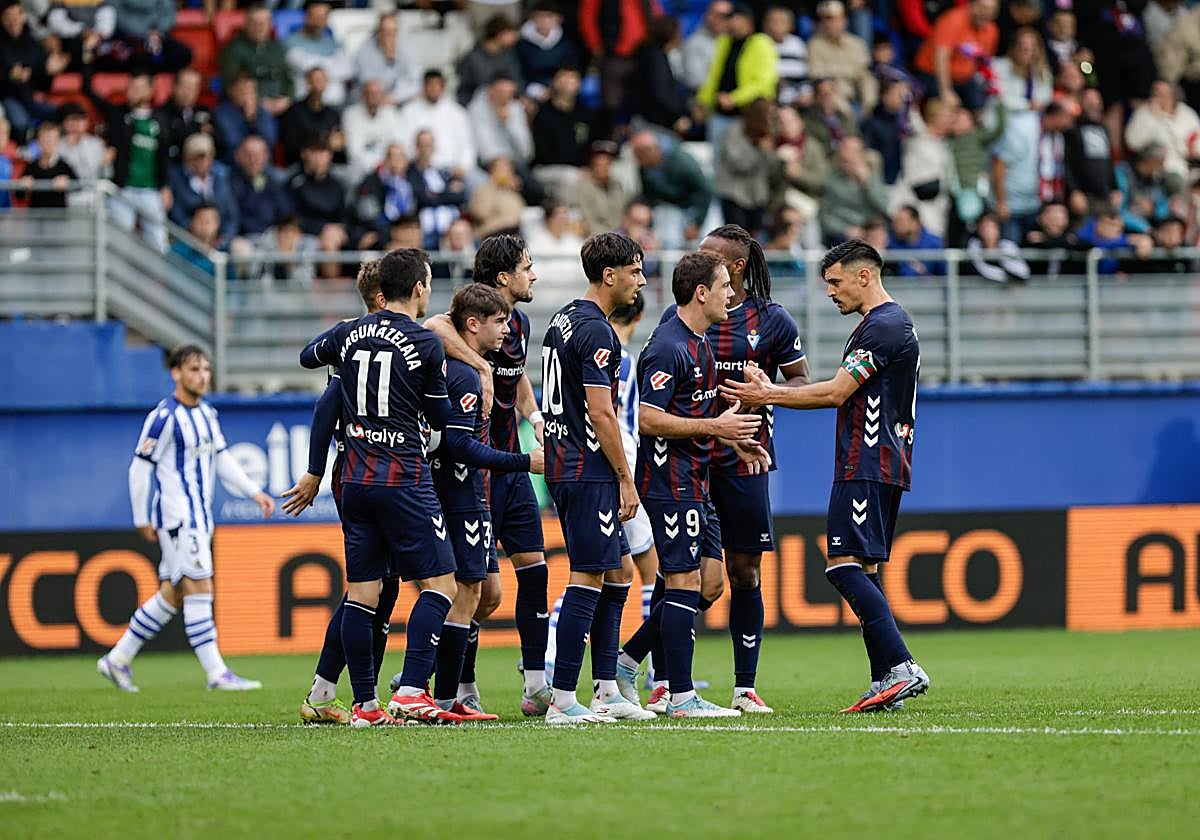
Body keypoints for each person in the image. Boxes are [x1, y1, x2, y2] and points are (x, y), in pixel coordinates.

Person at [720, 239, 931, 714]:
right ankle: (884, 680)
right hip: (884, 461)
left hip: (867, 460)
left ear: (864, 275)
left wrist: (768, 394)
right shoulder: (888, 324)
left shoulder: (884, 326)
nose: (830, 292)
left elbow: (836, 392)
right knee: (866, 569)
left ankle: (901, 665)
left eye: (835, 282)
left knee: (841, 565)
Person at [299, 248, 460, 727]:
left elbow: (308, 357)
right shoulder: (426, 342)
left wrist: (348, 337)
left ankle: (366, 705)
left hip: (354, 478)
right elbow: (440, 416)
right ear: (418, 289)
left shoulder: (348, 333)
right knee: (442, 586)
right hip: (404, 478)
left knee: (362, 594)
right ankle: (410, 691)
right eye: (428, 284)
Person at [656, 223, 809, 714]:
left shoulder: (772, 320)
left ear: (737, 267)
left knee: (744, 572)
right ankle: (661, 678)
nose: (699, 258)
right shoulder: (680, 317)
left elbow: (800, 380)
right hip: (691, 461)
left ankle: (745, 686)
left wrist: (768, 390)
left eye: (712, 255)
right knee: (681, 572)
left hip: (746, 458)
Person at [609, 251, 764, 719]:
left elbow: (698, 411)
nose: (731, 295)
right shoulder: (668, 346)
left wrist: (733, 439)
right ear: (701, 293)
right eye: (724, 287)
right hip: (668, 480)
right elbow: (648, 418)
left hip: (697, 477)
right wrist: (716, 428)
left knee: (709, 583)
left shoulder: (700, 343)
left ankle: (628, 660)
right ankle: (679, 695)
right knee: (682, 580)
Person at [422, 234, 556, 717]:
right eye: (526, 266)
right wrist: (479, 365)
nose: (533, 274)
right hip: (474, 470)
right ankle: (454, 681)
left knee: (535, 569)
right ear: (503, 277)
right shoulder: (466, 321)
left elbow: (515, 376)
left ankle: (536, 684)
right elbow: (431, 326)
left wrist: (534, 416)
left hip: (511, 464)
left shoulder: (517, 323)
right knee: (480, 593)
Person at [98, 346, 274, 694]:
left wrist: (254, 491)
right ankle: (216, 673)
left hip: (200, 516)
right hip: (179, 517)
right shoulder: (163, 417)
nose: (202, 376)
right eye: (194, 369)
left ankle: (117, 659)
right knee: (200, 586)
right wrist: (141, 516)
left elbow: (221, 457)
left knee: (173, 594)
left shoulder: (207, 413)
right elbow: (139, 468)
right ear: (176, 373)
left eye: (206, 369)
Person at [539, 231, 648, 724]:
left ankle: (606, 690)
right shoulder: (599, 331)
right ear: (609, 275)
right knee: (587, 575)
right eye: (635, 271)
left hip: (568, 464)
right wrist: (626, 478)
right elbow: (602, 413)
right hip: (586, 468)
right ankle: (563, 699)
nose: (640, 281)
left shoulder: (563, 318)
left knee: (620, 572)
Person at [285, 260, 394, 724]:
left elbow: (309, 357)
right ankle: (366, 699)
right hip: (370, 471)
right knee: (370, 590)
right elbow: (325, 396)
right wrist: (314, 470)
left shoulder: (365, 338)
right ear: (385, 297)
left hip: (376, 472)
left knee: (376, 589)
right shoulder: (362, 341)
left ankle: (324, 692)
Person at [84, 69, 169, 252]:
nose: (133, 92)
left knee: (158, 241)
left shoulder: (161, 119)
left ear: (150, 91)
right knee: (120, 241)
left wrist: (165, 186)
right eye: (131, 87)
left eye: (139, 88)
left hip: (151, 189)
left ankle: (156, 272)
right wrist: (87, 64)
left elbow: (164, 156)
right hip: (123, 188)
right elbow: (89, 92)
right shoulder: (117, 114)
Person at [696, 3, 778, 152]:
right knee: (718, 155)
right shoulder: (724, 42)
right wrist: (703, 101)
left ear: (746, 20)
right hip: (720, 113)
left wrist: (734, 98)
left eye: (733, 18)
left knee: (746, 157)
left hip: (748, 115)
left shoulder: (761, 43)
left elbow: (763, 83)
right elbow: (714, 76)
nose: (730, 22)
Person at [630, 130, 712, 248]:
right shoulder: (645, 167)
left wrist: (697, 223)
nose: (637, 160)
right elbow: (648, 195)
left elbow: (704, 191)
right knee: (670, 241)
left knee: (704, 242)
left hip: (697, 205)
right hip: (672, 208)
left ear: (651, 150)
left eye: (639, 155)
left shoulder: (681, 162)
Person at [913, 0, 999, 112]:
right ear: (971, 5)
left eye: (991, 10)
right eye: (982, 7)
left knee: (981, 108)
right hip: (933, 74)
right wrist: (946, 91)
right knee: (944, 110)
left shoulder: (991, 30)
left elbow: (984, 61)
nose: (986, 13)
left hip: (964, 78)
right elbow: (941, 58)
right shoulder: (953, 20)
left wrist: (987, 84)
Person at [398, 70, 476, 177]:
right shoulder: (408, 112)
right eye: (430, 85)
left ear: (443, 87)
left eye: (437, 85)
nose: (433, 89)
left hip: (453, 169)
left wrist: (463, 167)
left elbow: (467, 147)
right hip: (419, 169)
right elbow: (403, 145)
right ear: (423, 86)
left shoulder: (457, 113)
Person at [167, 132, 239, 249]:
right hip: (187, 238)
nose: (203, 161)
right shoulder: (176, 179)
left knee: (241, 249)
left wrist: (224, 238)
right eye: (197, 157)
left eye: (206, 156)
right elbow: (175, 211)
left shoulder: (222, 178)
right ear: (187, 158)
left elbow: (232, 214)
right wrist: (192, 231)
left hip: (220, 239)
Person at [219, 4, 292, 116]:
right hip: (250, 105)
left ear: (270, 25)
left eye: (264, 23)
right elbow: (232, 82)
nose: (260, 27)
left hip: (280, 103)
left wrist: (287, 98)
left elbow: (288, 78)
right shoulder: (234, 49)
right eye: (255, 23)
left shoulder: (277, 48)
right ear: (246, 25)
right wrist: (259, 101)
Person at [808, 0, 876, 112]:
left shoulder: (856, 43)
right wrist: (845, 110)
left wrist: (869, 103)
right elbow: (819, 79)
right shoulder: (814, 45)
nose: (828, 24)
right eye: (824, 19)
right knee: (825, 89)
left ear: (844, 20)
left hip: (857, 98)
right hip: (835, 104)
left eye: (833, 19)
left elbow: (865, 75)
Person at [283, 0, 352, 107]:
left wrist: (317, 66)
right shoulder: (290, 42)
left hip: (334, 106)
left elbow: (347, 70)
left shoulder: (333, 43)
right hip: (304, 105)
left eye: (323, 17)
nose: (319, 22)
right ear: (307, 17)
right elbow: (307, 66)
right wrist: (332, 65)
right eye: (316, 17)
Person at [279, 66, 344, 166]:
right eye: (315, 80)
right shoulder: (294, 111)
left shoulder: (333, 114)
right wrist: (324, 141)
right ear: (308, 83)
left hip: (328, 167)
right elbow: (290, 146)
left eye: (322, 80)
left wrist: (338, 145)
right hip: (299, 165)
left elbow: (338, 148)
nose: (318, 84)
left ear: (327, 84)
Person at [352, 12, 419, 107]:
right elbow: (370, 84)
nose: (389, 36)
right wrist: (389, 57)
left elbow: (414, 82)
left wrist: (394, 98)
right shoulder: (365, 51)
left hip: (396, 101)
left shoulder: (404, 49)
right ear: (378, 32)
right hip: (369, 102)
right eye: (386, 31)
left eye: (393, 32)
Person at [343, 79, 403, 183]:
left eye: (377, 93)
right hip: (361, 170)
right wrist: (377, 166)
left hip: (388, 167)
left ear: (382, 96)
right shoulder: (351, 114)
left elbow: (397, 143)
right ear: (363, 95)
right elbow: (354, 151)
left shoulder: (391, 114)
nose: (373, 97)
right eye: (370, 93)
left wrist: (386, 165)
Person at [456, 14, 522, 107]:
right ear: (499, 34)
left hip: (507, 101)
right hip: (477, 103)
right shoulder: (473, 57)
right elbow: (464, 87)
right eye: (510, 33)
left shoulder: (509, 55)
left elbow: (516, 79)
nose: (515, 38)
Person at [516, 2, 578, 100]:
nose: (545, 21)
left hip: (559, 89)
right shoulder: (522, 45)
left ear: (558, 19)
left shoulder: (566, 44)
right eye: (540, 16)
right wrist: (533, 90)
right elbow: (517, 72)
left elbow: (571, 69)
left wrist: (557, 87)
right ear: (533, 18)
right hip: (529, 91)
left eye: (549, 16)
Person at [213, 73, 278, 164]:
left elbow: (270, 140)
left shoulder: (262, 111)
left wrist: (252, 118)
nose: (247, 95)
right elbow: (232, 141)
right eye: (242, 90)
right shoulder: (222, 112)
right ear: (231, 91)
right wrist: (248, 119)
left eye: (251, 91)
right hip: (233, 163)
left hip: (261, 164)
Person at [20, 120, 74, 208]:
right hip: (35, 213)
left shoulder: (64, 165)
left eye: (51, 140)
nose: (48, 144)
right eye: (44, 140)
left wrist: (68, 182)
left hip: (58, 213)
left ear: (58, 142)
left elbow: (78, 186)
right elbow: (19, 195)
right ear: (38, 142)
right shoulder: (31, 166)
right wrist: (24, 187)